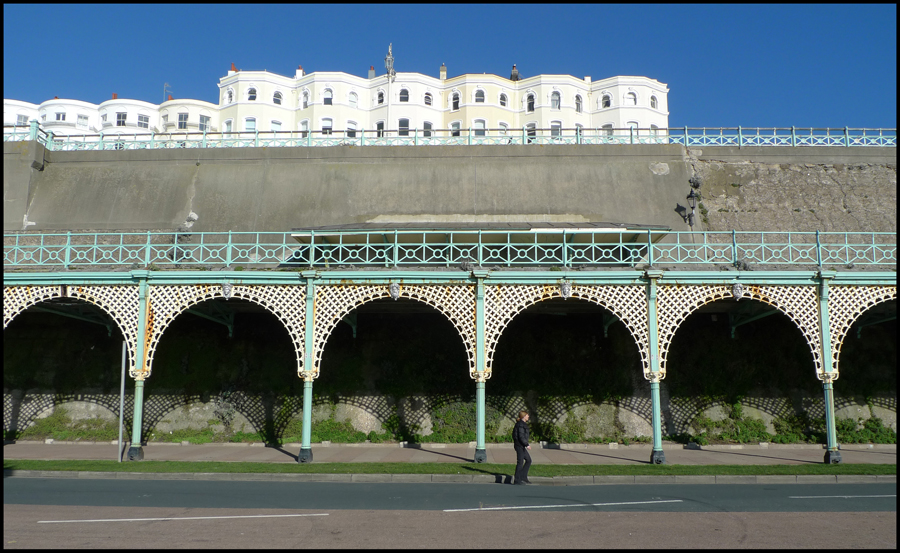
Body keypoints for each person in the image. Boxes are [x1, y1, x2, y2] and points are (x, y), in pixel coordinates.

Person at [512, 410, 532, 485]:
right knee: (520, 462)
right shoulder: (520, 425)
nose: (528, 416)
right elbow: (521, 436)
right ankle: (517, 480)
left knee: (528, 460)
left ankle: (523, 477)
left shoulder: (522, 424)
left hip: (522, 445)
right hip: (519, 445)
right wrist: (527, 444)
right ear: (523, 416)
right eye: (527, 415)